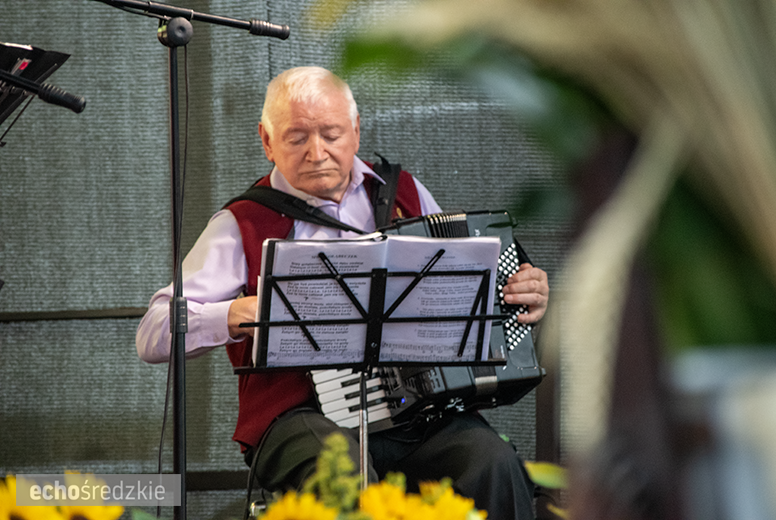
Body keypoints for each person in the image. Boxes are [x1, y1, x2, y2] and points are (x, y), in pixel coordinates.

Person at [136, 66, 549, 519]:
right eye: (297, 138)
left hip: (414, 412)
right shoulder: (244, 222)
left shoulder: (404, 194)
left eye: (331, 134)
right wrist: (233, 314)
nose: (318, 153)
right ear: (266, 141)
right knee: (345, 478)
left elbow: (462, 288)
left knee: (493, 463)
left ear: (355, 130)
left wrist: (519, 293)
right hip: (297, 418)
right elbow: (154, 333)